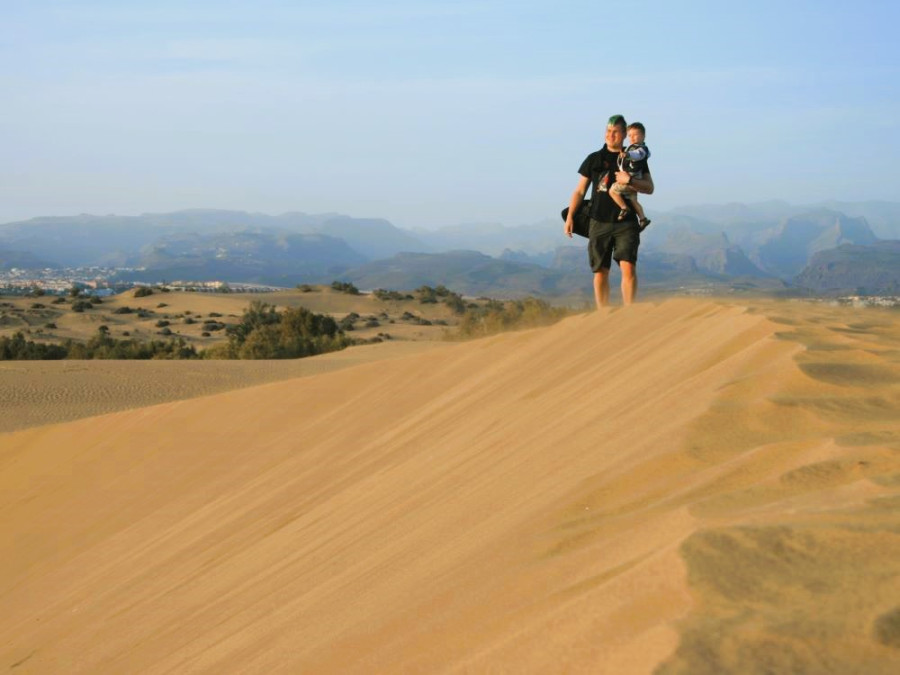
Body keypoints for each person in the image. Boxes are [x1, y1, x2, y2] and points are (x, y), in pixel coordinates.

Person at [564, 114, 654, 309]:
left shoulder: (635, 157)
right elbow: (580, 190)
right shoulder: (594, 159)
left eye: (615, 132)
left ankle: (629, 312)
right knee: (600, 271)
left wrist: (629, 180)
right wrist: (570, 216)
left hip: (627, 222)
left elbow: (649, 187)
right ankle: (603, 316)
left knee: (628, 267)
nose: (610, 135)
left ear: (624, 135)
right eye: (608, 131)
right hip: (599, 221)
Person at [609, 122, 651, 230]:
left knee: (612, 190)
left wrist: (627, 154)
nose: (632, 138)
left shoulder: (641, 149)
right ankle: (642, 218)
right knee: (633, 200)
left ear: (643, 136)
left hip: (631, 177)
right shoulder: (632, 148)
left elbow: (637, 155)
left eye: (635, 135)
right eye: (630, 135)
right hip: (633, 179)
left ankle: (624, 207)